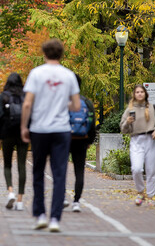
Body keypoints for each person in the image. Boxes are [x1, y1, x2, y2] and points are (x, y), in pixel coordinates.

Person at [21, 39, 81, 233]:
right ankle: (55, 218)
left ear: (44, 53)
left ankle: (40, 215)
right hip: (61, 129)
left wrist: (24, 126)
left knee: (38, 172)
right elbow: (76, 106)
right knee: (59, 173)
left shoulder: (36, 74)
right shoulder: (69, 75)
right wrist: (64, 105)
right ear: (61, 54)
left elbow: (28, 103)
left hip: (39, 129)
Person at [120, 84, 155, 206]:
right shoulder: (129, 110)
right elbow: (123, 129)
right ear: (134, 94)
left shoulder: (153, 107)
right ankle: (140, 192)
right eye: (137, 92)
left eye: (142, 92)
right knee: (136, 169)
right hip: (136, 140)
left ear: (145, 93)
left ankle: (151, 197)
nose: (140, 94)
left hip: (151, 140)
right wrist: (127, 122)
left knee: (151, 171)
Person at [0, 73, 28, 211]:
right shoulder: (25, 96)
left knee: (7, 164)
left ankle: (10, 191)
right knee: (22, 166)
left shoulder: (4, 96)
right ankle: (20, 200)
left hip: (7, 133)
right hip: (23, 133)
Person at [68, 74, 96, 213]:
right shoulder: (86, 102)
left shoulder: (63, 101)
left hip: (64, 139)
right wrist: (89, 140)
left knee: (59, 169)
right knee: (79, 171)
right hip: (82, 140)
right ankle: (76, 201)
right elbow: (92, 123)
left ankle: (61, 198)